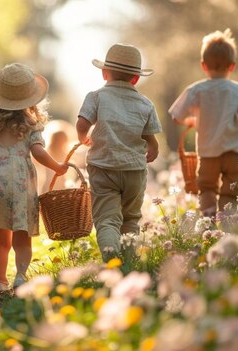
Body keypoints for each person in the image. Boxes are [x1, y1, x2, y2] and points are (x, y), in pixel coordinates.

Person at [0, 63, 69, 292]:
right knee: (22, 238)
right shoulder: (32, 124)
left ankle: (1, 282)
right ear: (29, 98)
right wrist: (57, 166)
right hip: (21, 183)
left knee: (2, 242)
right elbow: (38, 152)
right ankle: (20, 276)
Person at [76, 43, 162, 263]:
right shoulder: (145, 104)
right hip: (134, 169)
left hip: (103, 167)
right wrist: (152, 149)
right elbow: (151, 141)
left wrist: (83, 137)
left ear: (105, 73)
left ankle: (111, 254)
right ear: (136, 79)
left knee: (106, 219)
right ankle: (130, 262)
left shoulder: (96, 96)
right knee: (131, 219)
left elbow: (82, 123)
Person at [169, 29, 238, 218]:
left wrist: (191, 120)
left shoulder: (196, 90)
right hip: (235, 152)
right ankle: (227, 222)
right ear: (232, 66)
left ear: (204, 65)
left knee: (207, 188)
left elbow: (176, 116)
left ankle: (208, 221)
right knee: (231, 191)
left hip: (208, 153)